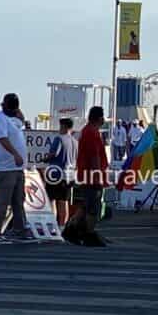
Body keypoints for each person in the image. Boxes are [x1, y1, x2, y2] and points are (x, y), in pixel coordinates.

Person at [0, 93, 31, 244]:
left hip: (16, 168)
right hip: (4, 168)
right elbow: (2, 139)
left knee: (18, 200)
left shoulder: (13, 119)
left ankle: (20, 229)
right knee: (3, 201)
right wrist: (15, 154)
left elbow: (21, 123)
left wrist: (19, 113)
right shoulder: (0, 119)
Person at [67, 105, 109, 246]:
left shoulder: (87, 131)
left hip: (86, 174)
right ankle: (89, 233)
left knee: (85, 204)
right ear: (99, 118)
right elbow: (94, 156)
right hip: (92, 176)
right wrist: (97, 176)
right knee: (93, 207)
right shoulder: (92, 133)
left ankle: (72, 229)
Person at [44, 117, 77, 226]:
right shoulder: (75, 142)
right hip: (70, 175)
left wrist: (44, 159)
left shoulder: (59, 139)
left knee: (52, 200)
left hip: (56, 175)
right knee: (64, 202)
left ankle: (52, 226)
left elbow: (53, 154)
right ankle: (63, 227)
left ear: (63, 126)